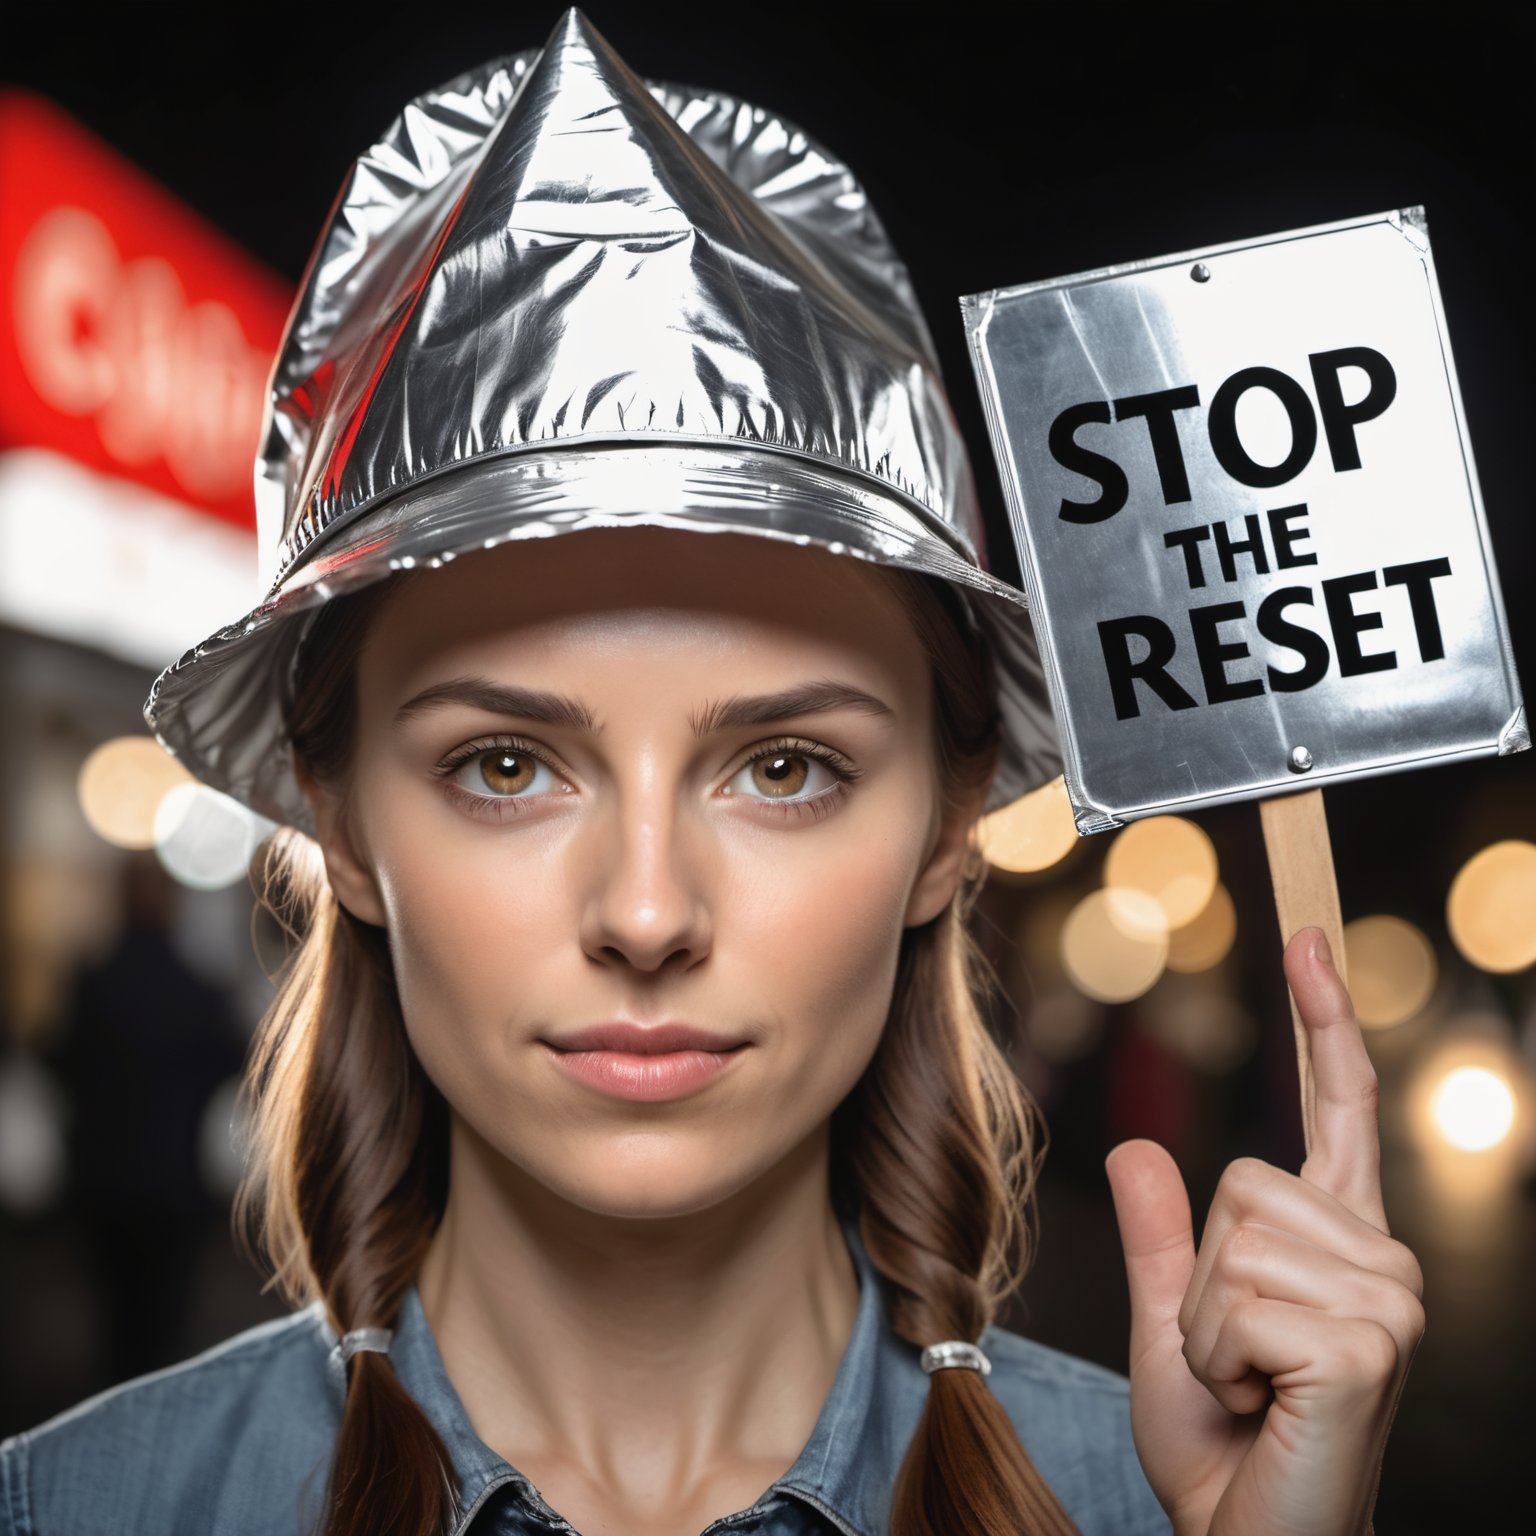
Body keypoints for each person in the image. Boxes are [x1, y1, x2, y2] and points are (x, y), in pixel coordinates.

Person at [0, 10, 1423, 1535]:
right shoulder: (65, 1511)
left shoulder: (1167, 1512)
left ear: (949, 825)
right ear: (340, 822)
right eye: (503, 763)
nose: (649, 909)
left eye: (787, 766)